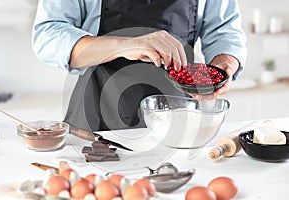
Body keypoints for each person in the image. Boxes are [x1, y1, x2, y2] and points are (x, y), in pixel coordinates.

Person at [32, 0, 247, 131]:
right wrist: (124, 44)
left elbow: (224, 30)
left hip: (180, 119)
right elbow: (47, 35)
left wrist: (225, 64)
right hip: (96, 116)